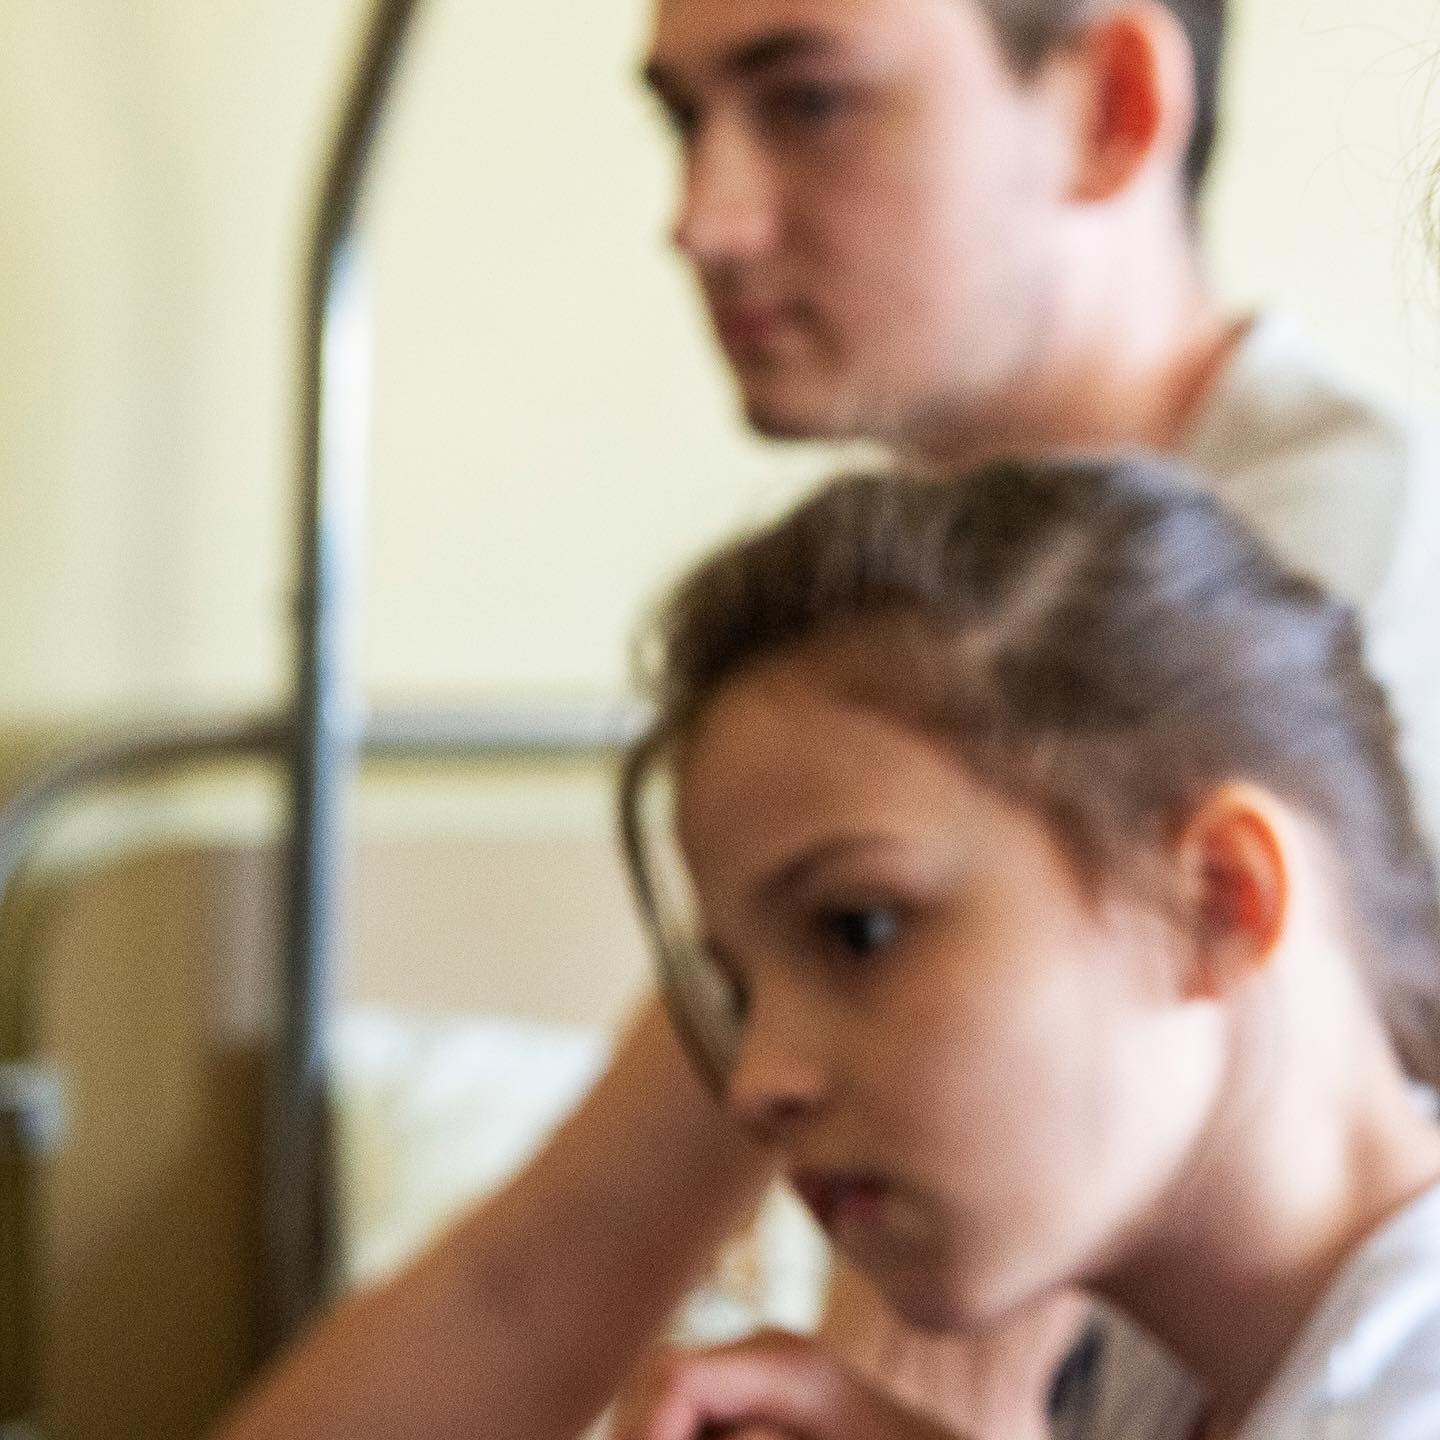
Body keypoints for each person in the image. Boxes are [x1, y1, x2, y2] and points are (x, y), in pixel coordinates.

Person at [213, 0, 1439, 1435]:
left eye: (807, 102)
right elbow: (542, 1275)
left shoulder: (1327, 615)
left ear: (1108, 103)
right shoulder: (882, 671)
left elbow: (954, 1363)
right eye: (683, 121)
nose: (701, 221)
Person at [608, 457, 1440, 1440]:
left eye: (860, 929)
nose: (757, 1084)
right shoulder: (1176, 1370)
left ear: (1220, 895)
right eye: (742, 996)